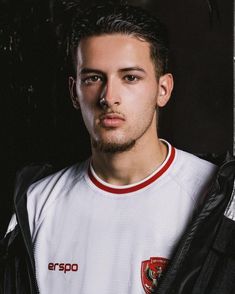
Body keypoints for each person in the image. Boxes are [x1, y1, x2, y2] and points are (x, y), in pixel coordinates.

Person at [1, 3, 219, 294]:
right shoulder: (36, 204)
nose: (109, 97)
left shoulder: (218, 199)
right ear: (74, 92)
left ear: (162, 90)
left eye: (130, 77)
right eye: (93, 78)